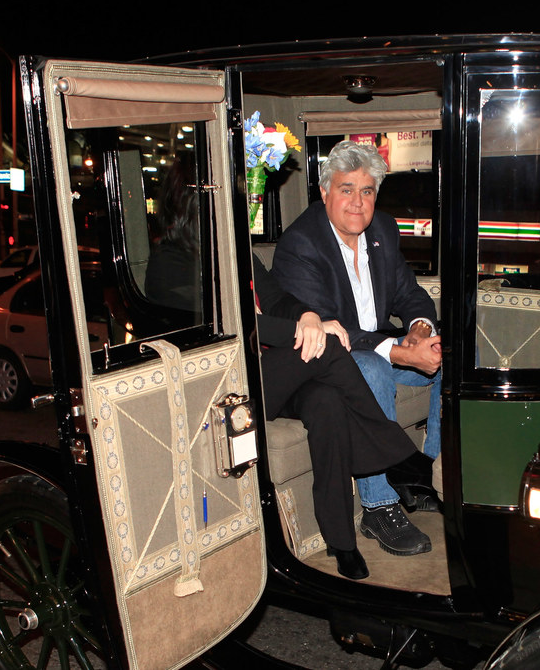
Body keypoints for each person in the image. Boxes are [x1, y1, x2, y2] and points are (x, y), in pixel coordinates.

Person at [145, 160, 433, 578]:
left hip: (279, 375)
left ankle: (341, 542)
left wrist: (308, 317)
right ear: (197, 207)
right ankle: (403, 459)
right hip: (230, 385)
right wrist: (306, 328)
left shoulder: (236, 253)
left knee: (329, 404)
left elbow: (278, 300)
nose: (245, 209)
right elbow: (235, 330)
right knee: (332, 349)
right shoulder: (171, 263)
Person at [271, 140, 443, 557]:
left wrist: (420, 330)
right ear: (325, 191)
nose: (357, 202)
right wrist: (400, 352)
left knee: (449, 354)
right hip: (329, 363)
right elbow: (336, 333)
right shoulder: (301, 245)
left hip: (376, 342)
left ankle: (429, 474)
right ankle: (378, 505)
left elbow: (409, 293)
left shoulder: (383, 229)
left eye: (367, 191)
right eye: (346, 189)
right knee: (373, 368)